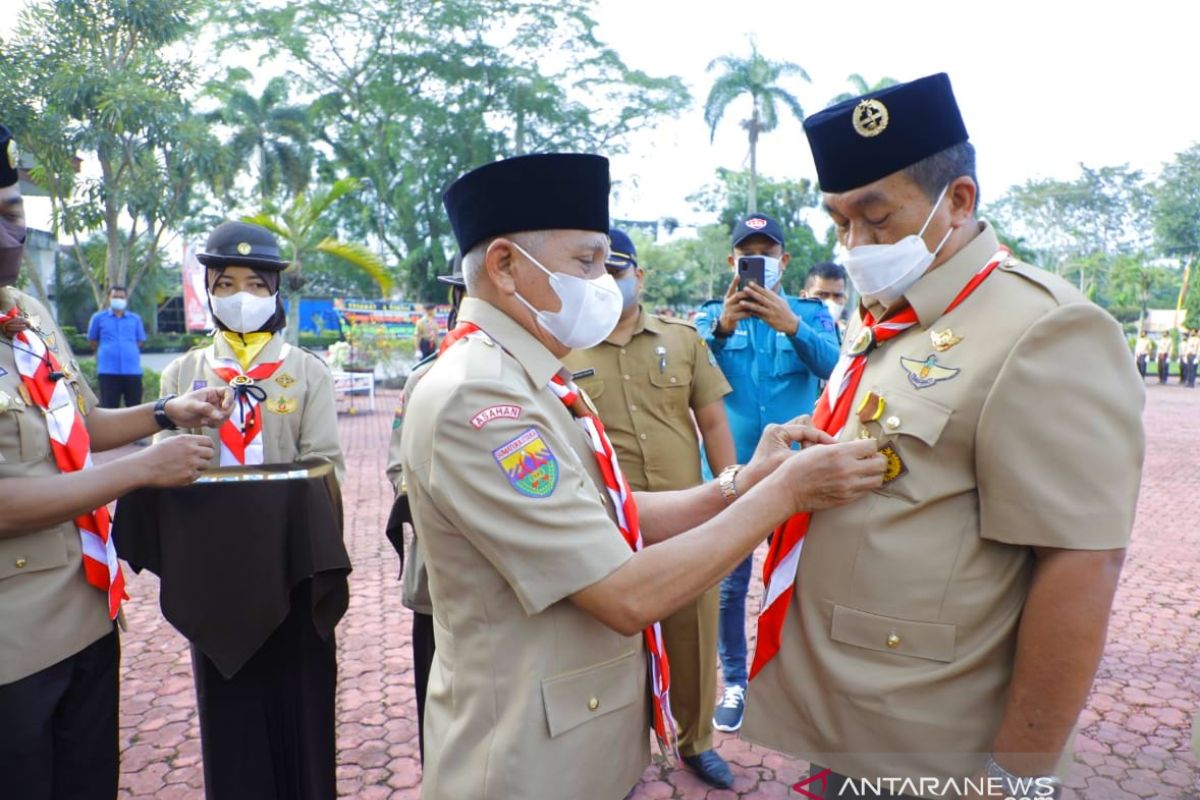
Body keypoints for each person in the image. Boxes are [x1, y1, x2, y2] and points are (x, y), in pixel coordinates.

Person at [401, 152, 886, 800]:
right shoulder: (482, 400)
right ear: (505, 267)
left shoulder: (525, 376)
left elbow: (619, 515)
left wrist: (743, 480)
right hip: (526, 764)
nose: (604, 283)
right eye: (586, 262)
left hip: (575, 741)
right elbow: (624, 593)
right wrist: (787, 491)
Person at [742, 73, 1144, 800]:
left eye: (878, 217)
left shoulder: (1043, 328)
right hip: (848, 708)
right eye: (839, 222)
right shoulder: (888, 314)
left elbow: (1082, 563)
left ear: (958, 201)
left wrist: (1018, 776)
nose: (857, 243)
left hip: (935, 743)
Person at [0, 123, 231, 800]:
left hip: (86, 611)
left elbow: (78, 426)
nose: (9, 235)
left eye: (12, 215)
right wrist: (141, 470)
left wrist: (165, 415)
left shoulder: (26, 318)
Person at [155, 220, 347, 800]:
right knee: (228, 702)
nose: (242, 296)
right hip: (215, 570)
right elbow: (165, 470)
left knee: (300, 695)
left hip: (289, 563)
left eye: (257, 284)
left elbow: (324, 465)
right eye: (227, 282)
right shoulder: (182, 374)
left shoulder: (305, 371)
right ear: (209, 290)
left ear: (275, 293)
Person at [561, 229, 738, 788]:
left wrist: (732, 493)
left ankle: (696, 740)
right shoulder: (564, 350)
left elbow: (711, 422)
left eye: (619, 271)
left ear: (639, 276)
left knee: (694, 630)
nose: (610, 282)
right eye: (598, 272)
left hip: (688, 517)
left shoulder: (684, 340)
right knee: (610, 637)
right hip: (608, 524)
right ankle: (622, 747)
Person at [693, 214, 839, 733]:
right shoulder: (710, 317)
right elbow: (685, 378)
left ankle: (797, 683)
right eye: (747, 253)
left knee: (804, 580)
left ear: (785, 262)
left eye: (768, 252)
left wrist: (792, 325)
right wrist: (722, 329)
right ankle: (735, 681)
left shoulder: (810, 312)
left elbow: (837, 367)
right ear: (733, 263)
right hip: (730, 479)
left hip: (796, 475)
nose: (759, 261)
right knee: (730, 587)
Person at [384, 261, 465, 764]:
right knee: (437, 701)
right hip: (439, 573)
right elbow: (398, 466)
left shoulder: (544, 376)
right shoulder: (423, 380)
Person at [87, 285, 147, 408]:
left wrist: (127, 351)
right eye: (115, 296)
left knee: (135, 407)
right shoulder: (98, 318)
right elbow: (93, 340)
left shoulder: (135, 319)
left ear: (126, 299)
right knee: (109, 407)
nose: (118, 299)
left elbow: (140, 341)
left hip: (132, 371)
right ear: (108, 298)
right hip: (108, 371)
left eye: (121, 297)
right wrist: (108, 350)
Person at [803, 260, 850, 339]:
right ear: (804, 296)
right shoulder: (789, 332)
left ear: (844, 299)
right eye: (822, 295)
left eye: (837, 296)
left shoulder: (849, 339)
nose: (830, 302)